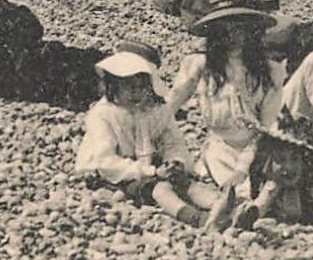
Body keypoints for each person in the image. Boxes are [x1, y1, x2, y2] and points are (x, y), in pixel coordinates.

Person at [167, 0, 286, 225]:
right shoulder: (200, 66)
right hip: (220, 147)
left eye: (240, 28)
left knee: (272, 181)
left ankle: (252, 212)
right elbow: (169, 105)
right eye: (225, 29)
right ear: (215, 33)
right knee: (217, 185)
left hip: (258, 146)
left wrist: (244, 166)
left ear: (252, 31)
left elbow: (267, 128)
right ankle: (228, 209)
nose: (233, 36)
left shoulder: (270, 71)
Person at [75, 40, 221, 228]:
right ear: (113, 86)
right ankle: (195, 218)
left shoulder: (155, 110)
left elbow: (172, 141)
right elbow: (105, 161)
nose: (136, 93)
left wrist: (175, 161)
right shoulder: (104, 114)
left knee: (184, 182)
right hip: (116, 172)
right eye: (129, 86)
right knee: (160, 188)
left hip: (149, 163)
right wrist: (151, 171)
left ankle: (220, 205)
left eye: (142, 86)